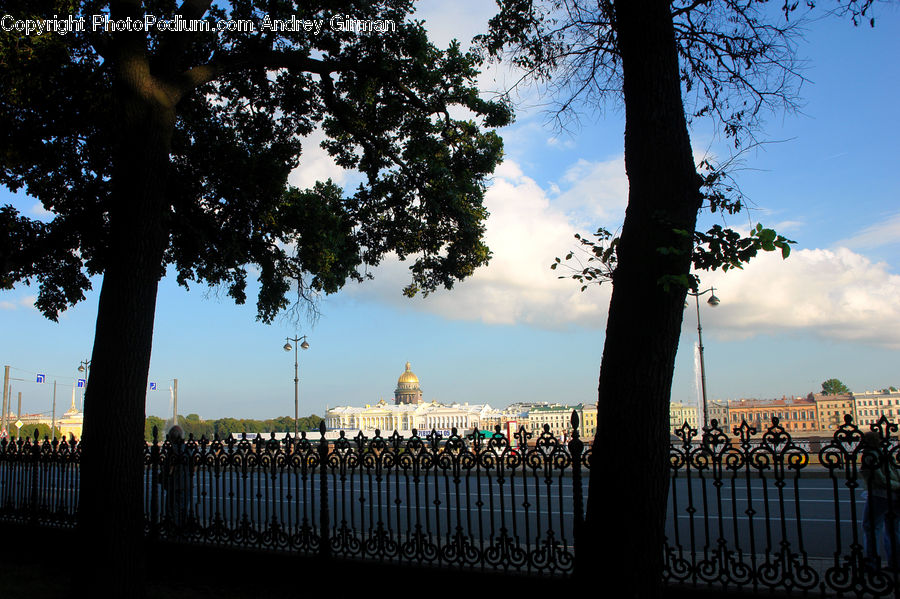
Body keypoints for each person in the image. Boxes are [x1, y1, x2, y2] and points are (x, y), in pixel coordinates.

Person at [860, 430, 900, 570]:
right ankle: (895, 563)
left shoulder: (869, 455)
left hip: (879, 495)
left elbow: (879, 479)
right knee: (893, 530)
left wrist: (894, 486)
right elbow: (896, 472)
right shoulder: (886, 453)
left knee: (871, 527)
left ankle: (872, 562)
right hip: (895, 496)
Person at [162, 425, 194, 537]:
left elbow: (167, 470)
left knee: (173, 512)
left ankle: (174, 533)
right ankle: (182, 532)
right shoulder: (188, 450)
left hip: (174, 486)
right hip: (186, 485)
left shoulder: (171, 451)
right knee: (183, 510)